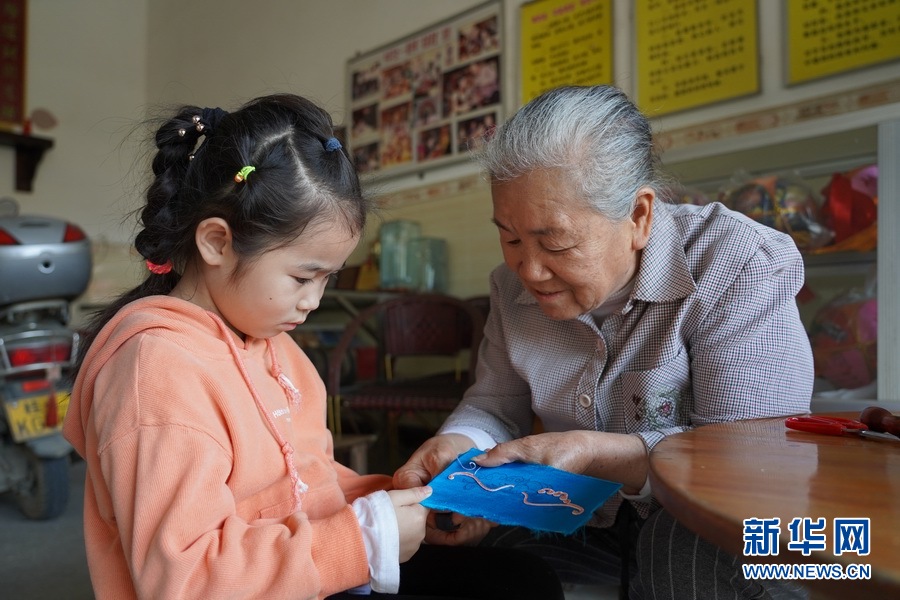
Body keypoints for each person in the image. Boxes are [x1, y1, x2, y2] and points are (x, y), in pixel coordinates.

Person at [64, 94, 564, 600]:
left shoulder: (279, 351)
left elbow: (308, 486)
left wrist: (406, 502)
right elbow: (185, 580)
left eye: (328, 278)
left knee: (524, 581)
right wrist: (366, 536)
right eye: (303, 276)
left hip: (311, 575)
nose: (313, 302)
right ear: (217, 242)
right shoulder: (157, 373)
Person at [394, 85, 813, 599]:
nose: (529, 269)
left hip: (722, 517)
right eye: (510, 237)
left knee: (679, 547)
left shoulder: (736, 264)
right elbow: (495, 405)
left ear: (638, 217)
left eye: (556, 242)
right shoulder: (511, 290)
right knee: (471, 550)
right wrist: (458, 445)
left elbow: (746, 462)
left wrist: (592, 452)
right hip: (585, 516)